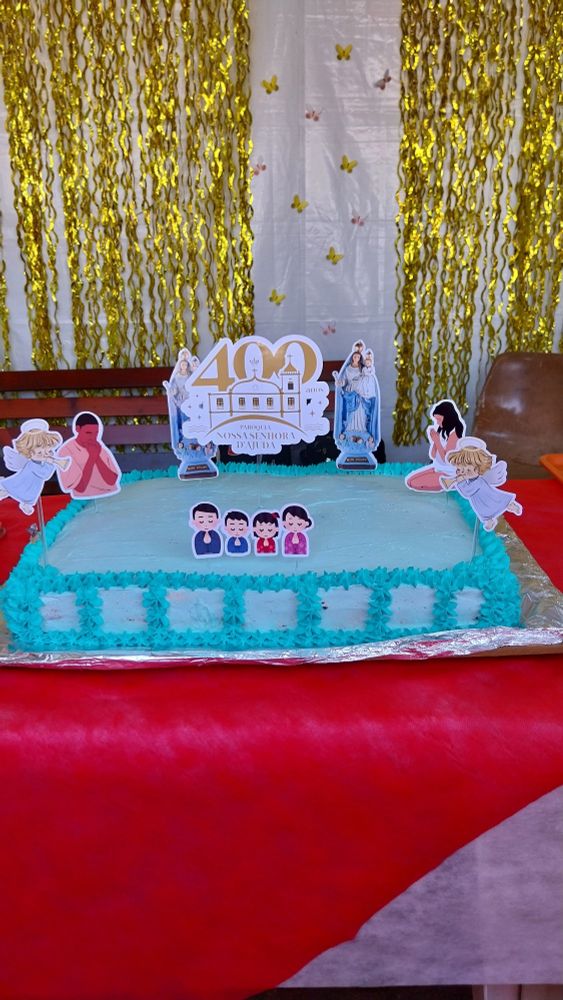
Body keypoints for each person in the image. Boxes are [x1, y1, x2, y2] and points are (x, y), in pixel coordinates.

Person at [440, 444, 522, 531]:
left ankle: (510, 505)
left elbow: (467, 492)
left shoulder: (478, 482)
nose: (463, 473)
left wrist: (461, 481)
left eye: (468, 470)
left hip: (488, 497)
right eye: (459, 470)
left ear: (478, 469)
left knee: (499, 501)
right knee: (484, 511)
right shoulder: (470, 480)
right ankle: (489, 521)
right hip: (480, 502)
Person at [0, 419, 70, 515]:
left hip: (33, 485)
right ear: (29, 453)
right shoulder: (32, 464)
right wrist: (50, 462)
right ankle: (4, 491)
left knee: (29, 495)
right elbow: (45, 474)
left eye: (47, 450)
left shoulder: (42, 460)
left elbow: (46, 474)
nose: (44, 454)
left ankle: (25, 503)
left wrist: (52, 460)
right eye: (39, 452)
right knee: (13, 488)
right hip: (24, 482)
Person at [405, 399, 465, 492]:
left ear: (448, 418)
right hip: (437, 468)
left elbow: (446, 459)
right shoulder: (443, 431)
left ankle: (453, 482)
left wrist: (437, 440)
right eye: (436, 420)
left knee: (415, 483)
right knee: (409, 481)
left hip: (448, 472)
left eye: (439, 419)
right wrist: (434, 440)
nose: (437, 423)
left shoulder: (455, 434)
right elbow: (433, 455)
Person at [57, 412, 121, 499]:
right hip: (84, 500)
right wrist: (92, 457)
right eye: (88, 433)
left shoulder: (99, 448)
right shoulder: (66, 451)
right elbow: (80, 488)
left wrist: (97, 457)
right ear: (77, 429)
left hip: (111, 495)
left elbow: (112, 481)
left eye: (96, 433)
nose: (93, 437)